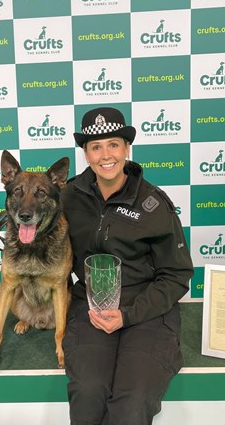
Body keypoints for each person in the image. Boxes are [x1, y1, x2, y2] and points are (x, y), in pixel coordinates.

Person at [61, 107, 194, 425]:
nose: (105, 155)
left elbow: (177, 275)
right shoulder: (67, 197)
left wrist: (128, 315)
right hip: (90, 307)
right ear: (85, 153)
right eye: (96, 147)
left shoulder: (152, 203)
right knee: (89, 392)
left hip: (146, 311)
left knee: (132, 403)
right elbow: (44, 248)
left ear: (126, 148)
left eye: (113, 144)